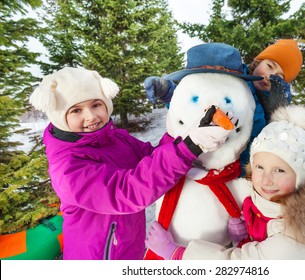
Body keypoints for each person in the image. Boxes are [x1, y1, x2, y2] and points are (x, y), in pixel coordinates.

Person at [28, 66, 235, 260]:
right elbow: (127, 192)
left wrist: (186, 132)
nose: (90, 116)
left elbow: (151, 157)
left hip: (129, 249)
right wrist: (190, 146)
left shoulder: (114, 138)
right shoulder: (67, 167)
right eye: (76, 110)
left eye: (96, 104)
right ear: (59, 116)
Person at [145, 105, 305, 260]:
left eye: (280, 170)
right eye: (260, 167)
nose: (265, 179)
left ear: (301, 177)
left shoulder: (298, 237)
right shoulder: (275, 205)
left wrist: (175, 253)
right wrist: (244, 238)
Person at [144, 39, 303, 171]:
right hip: (200, 158)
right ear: (258, 61)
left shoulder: (272, 102)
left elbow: (272, 140)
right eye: (269, 66)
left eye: (279, 77)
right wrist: (167, 93)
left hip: (239, 168)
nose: (270, 76)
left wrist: (279, 111)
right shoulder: (231, 78)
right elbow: (195, 100)